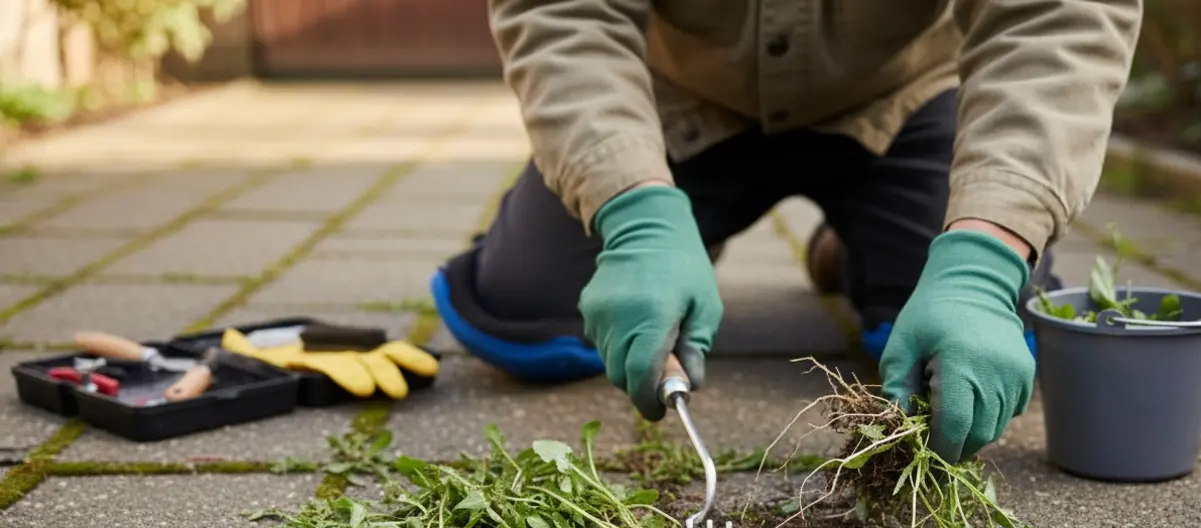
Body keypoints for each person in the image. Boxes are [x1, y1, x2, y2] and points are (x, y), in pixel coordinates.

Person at [431, 1, 1143, 464]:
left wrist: (986, 258)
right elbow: (563, 13)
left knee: (980, 348)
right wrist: (634, 213)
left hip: (897, 104)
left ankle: (859, 245)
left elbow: (1059, 17)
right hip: (679, 107)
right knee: (527, 314)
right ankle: (676, 235)